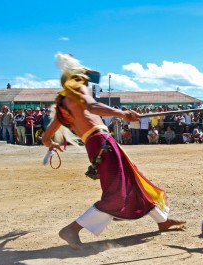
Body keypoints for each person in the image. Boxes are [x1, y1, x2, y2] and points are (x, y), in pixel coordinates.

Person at [42, 54, 185, 249]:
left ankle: (161, 220)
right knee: (116, 193)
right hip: (101, 142)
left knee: (134, 182)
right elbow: (93, 107)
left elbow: (45, 137)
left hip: (100, 142)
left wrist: (51, 145)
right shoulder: (76, 90)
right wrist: (121, 113)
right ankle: (72, 229)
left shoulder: (63, 104)